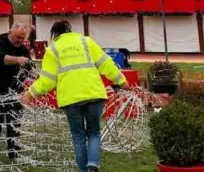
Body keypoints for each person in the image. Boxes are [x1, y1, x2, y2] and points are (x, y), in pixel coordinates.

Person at [22, 20, 126, 172]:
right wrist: (121, 81)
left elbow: (48, 80)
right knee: (94, 132)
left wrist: (31, 93)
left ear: (55, 34)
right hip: (94, 94)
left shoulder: (53, 49)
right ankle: (93, 164)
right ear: (69, 30)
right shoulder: (86, 41)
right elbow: (106, 64)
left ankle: (84, 170)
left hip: (70, 100)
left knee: (78, 137)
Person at [0, 22, 32, 162]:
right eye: (18, 37)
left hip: (16, 91)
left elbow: (28, 68)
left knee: (14, 123)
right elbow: (1, 59)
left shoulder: (23, 49)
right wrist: (17, 60)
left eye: (23, 38)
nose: (20, 41)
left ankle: (14, 153)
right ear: (10, 32)